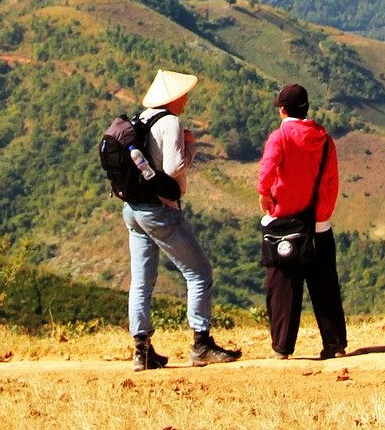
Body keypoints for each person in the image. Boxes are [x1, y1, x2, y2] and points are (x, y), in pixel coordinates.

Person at [122, 68, 242, 370]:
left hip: (133, 209)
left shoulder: (142, 118)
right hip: (160, 210)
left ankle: (141, 351)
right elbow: (174, 168)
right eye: (184, 95)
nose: (186, 99)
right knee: (199, 273)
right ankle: (201, 344)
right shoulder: (171, 122)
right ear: (173, 98)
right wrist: (191, 148)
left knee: (141, 281)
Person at [257, 82, 347, 360]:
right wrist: (322, 214)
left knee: (282, 289)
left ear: (283, 110)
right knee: (325, 287)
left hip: (285, 226)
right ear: (306, 109)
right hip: (318, 225)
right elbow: (331, 182)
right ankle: (335, 345)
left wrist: (265, 195)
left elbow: (267, 171)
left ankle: (282, 348)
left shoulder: (280, 137)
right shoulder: (325, 140)